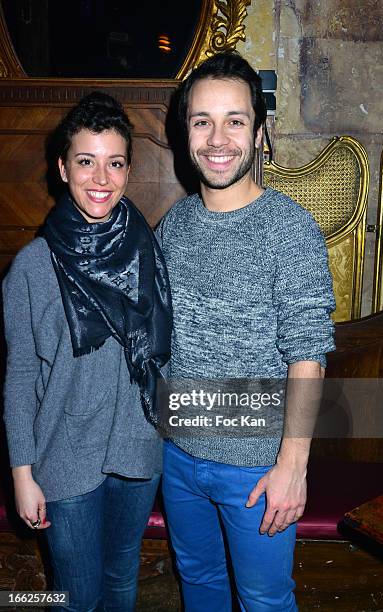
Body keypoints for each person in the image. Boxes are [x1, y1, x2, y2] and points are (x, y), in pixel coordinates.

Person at [157, 52, 336, 611]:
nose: (217, 138)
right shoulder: (173, 226)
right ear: (185, 132)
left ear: (260, 133)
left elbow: (309, 354)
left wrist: (292, 465)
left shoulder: (290, 228)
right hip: (177, 458)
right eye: (202, 121)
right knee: (200, 587)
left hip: (258, 470)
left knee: (264, 600)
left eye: (235, 120)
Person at [2, 91, 172, 611]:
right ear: (62, 167)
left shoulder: (151, 249)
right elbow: (20, 375)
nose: (101, 179)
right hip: (65, 455)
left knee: (122, 577)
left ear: (127, 170)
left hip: (138, 450)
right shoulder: (31, 267)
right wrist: (22, 473)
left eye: (114, 163)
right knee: (76, 597)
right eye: (86, 161)